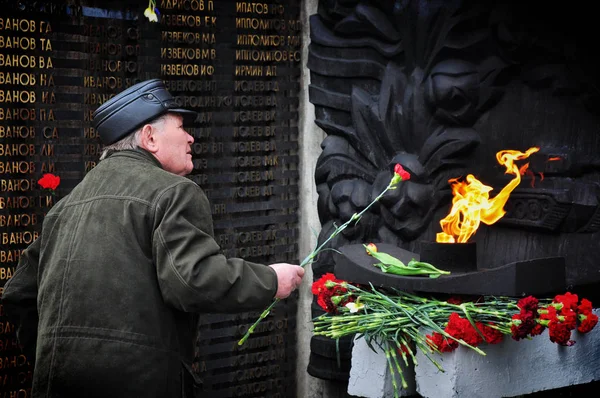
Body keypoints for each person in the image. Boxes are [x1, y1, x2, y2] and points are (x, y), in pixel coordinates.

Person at [2, 79, 305, 398]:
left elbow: (18, 294)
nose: (191, 137)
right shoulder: (173, 193)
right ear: (149, 137)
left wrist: (55, 358)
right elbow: (193, 282)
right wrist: (271, 280)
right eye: (181, 126)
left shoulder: (64, 207)